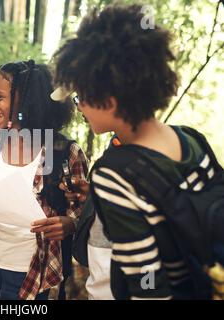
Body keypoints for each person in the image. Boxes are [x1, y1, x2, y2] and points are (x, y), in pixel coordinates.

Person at [52, 4, 221, 299]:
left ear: (109, 99)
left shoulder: (113, 173)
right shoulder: (191, 139)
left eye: (80, 97)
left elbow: (147, 283)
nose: (78, 108)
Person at [0, 60, 89, 300]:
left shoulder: (65, 152)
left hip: (35, 274)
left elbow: (84, 214)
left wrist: (69, 224)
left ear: (25, 100)